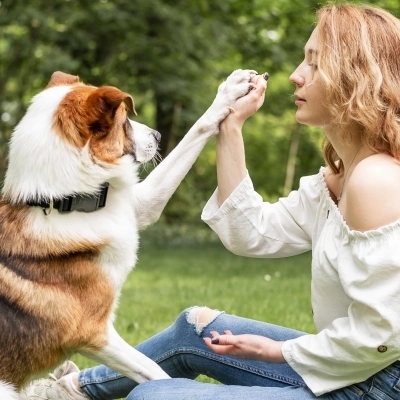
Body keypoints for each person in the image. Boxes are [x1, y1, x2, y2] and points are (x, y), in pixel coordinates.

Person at [22, 3, 400, 400]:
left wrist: (279, 351)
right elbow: (250, 233)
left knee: (153, 397)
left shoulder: (376, 180)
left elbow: (385, 333)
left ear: (353, 79)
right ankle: (67, 390)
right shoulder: (338, 179)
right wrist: (229, 128)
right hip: (352, 371)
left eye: (315, 64)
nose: (295, 75)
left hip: (378, 387)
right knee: (193, 330)